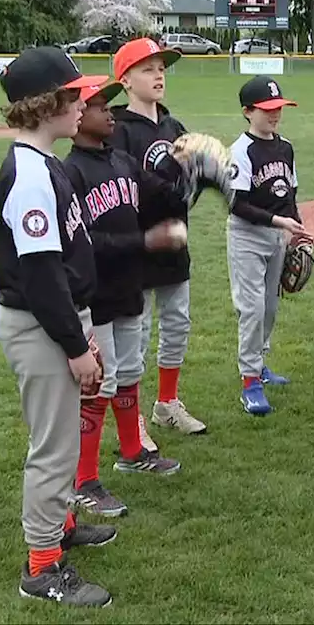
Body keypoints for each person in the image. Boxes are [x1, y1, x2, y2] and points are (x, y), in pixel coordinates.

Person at [0, 46, 116, 607]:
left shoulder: (46, 165)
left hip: (57, 318)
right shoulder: (29, 175)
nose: (83, 100)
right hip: (39, 323)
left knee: (62, 439)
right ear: (47, 105)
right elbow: (40, 275)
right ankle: (42, 567)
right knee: (55, 447)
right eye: (74, 94)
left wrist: (81, 327)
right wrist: (74, 343)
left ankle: (60, 527)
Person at [62, 79, 187, 520]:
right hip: (96, 292)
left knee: (129, 372)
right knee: (100, 383)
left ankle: (132, 450)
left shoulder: (121, 161)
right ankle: (84, 479)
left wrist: (192, 166)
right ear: (78, 118)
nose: (109, 113)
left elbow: (163, 191)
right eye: (98, 107)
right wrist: (144, 241)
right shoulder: (71, 172)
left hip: (130, 285)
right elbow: (80, 241)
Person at [108, 38, 208, 438]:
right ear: (126, 79)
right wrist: (177, 183)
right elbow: (133, 183)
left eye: (161, 68)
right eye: (148, 69)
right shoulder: (118, 131)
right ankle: (131, 420)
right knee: (138, 335)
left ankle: (167, 403)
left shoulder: (173, 127)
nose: (159, 74)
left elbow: (191, 185)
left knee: (177, 323)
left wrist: (203, 174)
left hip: (175, 242)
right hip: (137, 245)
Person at [226, 75, 307, 415]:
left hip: (277, 235)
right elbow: (237, 204)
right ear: (247, 111)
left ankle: (259, 364)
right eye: (267, 109)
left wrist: (296, 228)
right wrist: (278, 222)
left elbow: (290, 192)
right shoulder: (240, 151)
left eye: (279, 108)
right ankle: (249, 382)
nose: (275, 114)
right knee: (252, 308)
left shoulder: (284, 146)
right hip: (246, 236)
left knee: (271, 307)